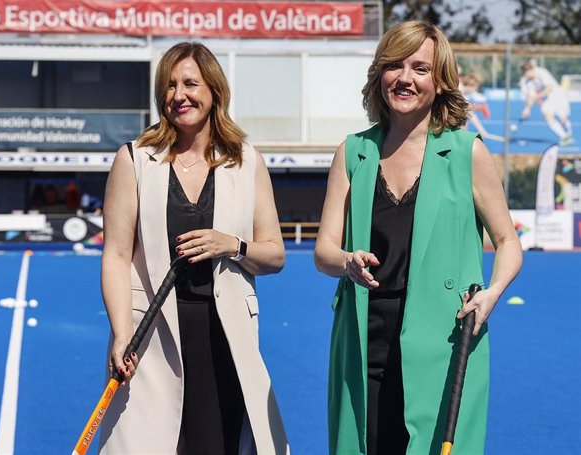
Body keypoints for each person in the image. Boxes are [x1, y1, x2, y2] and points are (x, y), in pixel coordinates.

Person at [314, 21, 522, 455]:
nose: (404, 78)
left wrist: (493, 292)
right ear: (379, 75)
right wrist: (346, 262)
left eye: (420, 68)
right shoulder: (353, 152)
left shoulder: (468, 152)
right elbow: (324, 251)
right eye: (394, 65)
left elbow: (507, 240)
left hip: (444, 342)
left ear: (439, 80)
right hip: (363, 340)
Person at [98, 42, 289, 455]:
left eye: (190, 83)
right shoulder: (134, 160)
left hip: (224, 337)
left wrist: (232, 245)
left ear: (214, 91)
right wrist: (119, 333)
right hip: (150, 335)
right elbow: (115, 255)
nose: (178, 95)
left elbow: (274, 254)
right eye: (169, 85)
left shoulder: (246, 161)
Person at [519, 59, 574, 145]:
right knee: (547, 114)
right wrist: (527, 109)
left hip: (558, 95)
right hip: (549, 98)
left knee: (563, 119)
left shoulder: (541, 72)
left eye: (526, 73)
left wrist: (538, 96)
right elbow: (530, 96)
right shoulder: (529, 82)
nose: (525, 76)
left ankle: (569, 132)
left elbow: (549, 88)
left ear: (530, 70)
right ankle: (564, 137)